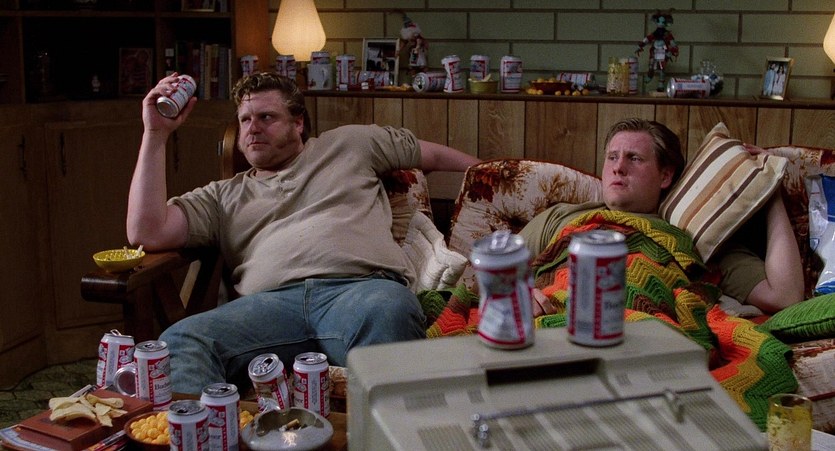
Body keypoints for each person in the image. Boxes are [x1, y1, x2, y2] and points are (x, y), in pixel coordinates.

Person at [127, 72, 481, 394]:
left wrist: (497, 172)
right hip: (270, 307)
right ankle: (212, 434)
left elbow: (434, 156)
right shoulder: (223, 196)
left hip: (361, 293)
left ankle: (385, 433)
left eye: (266, 117)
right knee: (180, 341)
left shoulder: (350, 144)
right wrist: (155, 134)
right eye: (245, 119)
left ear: (298, 123)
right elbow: (146, 232)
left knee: (391, 309)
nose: (253, 128)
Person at [519, 118, 803, 316]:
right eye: (612, 157)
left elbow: (784, 296)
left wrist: (770, 191)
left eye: (634, 158)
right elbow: (497, 270)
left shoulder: (693, 236)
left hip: (641, 333)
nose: (618, 167)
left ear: (665, 175)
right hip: (554, 324)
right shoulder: (563, 216)